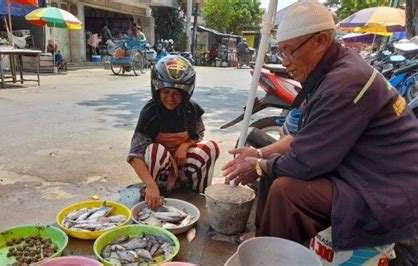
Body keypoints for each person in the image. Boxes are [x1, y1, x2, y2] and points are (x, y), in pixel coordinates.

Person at [222, 0, 418, 251]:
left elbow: (305, 162)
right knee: (273, 170)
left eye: (290, 51)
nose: (287, 62)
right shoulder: (332, 72)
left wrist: (259, 166)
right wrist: (260, 154)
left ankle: (273, 254)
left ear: (321, 42)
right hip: (362, 168)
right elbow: (303, 137)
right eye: (282, 52)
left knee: (286, 190)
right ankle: (267, 240)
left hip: (387, 187)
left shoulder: (344, 82)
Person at [128, 55, 219, 210]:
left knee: (210, 147)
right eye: (166, 92)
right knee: (155, 151)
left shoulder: (191, 109)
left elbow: (198, 134)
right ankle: (155, 193)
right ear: (157, 90)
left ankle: (197, 194)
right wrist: (150, 185)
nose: (170, 98)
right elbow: (135, 156)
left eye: (176, 93)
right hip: (160, 170)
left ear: (185, 93)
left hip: (182, 166)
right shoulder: (150, 112)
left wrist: (185, 145)